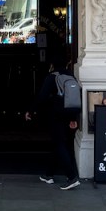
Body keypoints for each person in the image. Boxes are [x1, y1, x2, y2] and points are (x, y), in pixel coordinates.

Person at [27, 59, 81, 190]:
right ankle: (49, 175)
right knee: (58, 144)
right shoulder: (71, 76)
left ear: (52, 65)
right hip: (69, 114)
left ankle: (72, 176)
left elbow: (42, 96)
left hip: (56, 114)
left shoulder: (52, 77)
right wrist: (74, 118)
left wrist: (31, 110)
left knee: (59, 143)